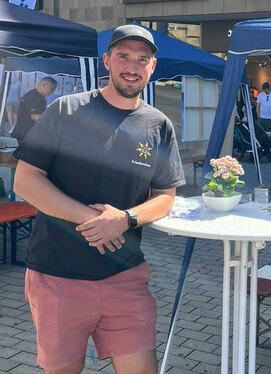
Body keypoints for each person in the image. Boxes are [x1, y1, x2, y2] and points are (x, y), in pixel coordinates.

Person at [13, 24, 186, 374]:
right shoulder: (66, 110)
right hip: (58, 275)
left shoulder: (157, 124)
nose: (132, 67)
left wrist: (124, 219)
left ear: (153, 67)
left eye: (142, 59)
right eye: (123, 56)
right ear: (106, 60)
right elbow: (26, 181)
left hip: (125, 275)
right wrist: (91, 220)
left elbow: (165, 196)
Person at [11, 76, 57, 142]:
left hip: (27, 133)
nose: (52, 92)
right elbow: (34, 116)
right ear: (45, 85)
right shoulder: (34, 96)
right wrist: (50, 124)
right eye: (52, 89)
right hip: (25, 133)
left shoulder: (38, 96)